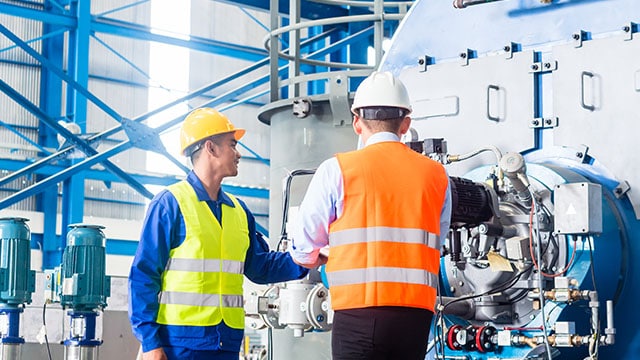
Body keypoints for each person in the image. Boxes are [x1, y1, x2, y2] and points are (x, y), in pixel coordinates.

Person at [290, 71, 452, 360]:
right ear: (405, 124)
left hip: (358, 313)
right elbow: (435, 245)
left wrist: (320, 256)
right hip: (415, 317)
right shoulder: (437, 175)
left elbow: (303, 246)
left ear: (356, 122)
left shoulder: (337, 169)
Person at [129, 107, 309, 360]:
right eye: (232, 145)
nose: (238, 153)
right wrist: (150, 343)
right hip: (179, 344)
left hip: (227, 342)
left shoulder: (238, 211)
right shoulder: (170, 204)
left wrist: (307, 257)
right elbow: (143, 277)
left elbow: (259, 267)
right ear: (211, 148)